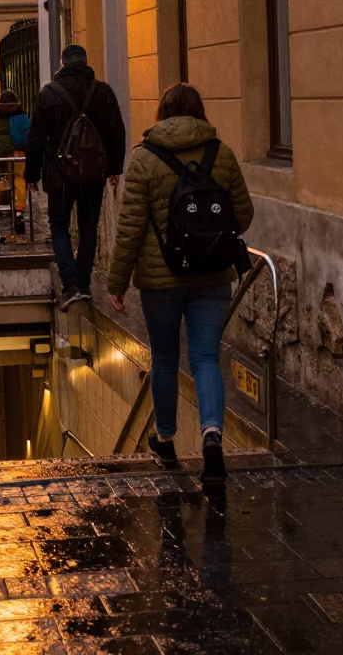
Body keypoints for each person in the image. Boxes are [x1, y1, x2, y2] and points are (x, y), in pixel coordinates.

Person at [106, 83, 254, 485]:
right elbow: (243, 215)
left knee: (166, 360)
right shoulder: (220, 154)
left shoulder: (144, 159)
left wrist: (117, 282)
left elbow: (131, 229)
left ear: (161, 114)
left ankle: (166, 440)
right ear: (199, 111)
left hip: (160, 280)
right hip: (212, 275)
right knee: (206, 358)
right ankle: (211, 436)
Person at [26, 44, 126, 310]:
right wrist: (115, 168)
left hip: (59, 174)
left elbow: (35, 137)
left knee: (59, 226)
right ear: (86, 62)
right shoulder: (103, 92)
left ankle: (70, 285)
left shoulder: (49, 93)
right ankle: (83, 285)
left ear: (62, 63)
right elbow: (117, 131)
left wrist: (31, 173)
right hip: (94, 173)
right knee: (88, 226)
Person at [0, 89, 29, 234]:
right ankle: (19, 210)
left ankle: (3, 206)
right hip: (19, 150)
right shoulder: (20, 110)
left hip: (2, 151)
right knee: (19, 179)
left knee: (3, 177)